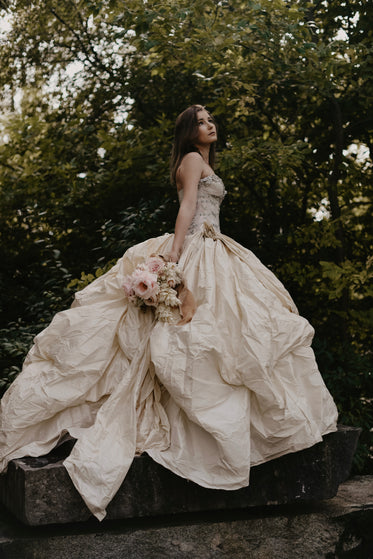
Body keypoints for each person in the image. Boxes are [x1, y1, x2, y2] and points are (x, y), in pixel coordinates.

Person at [0, 104, 338, 521]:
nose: (210, 124)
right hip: (199, 245)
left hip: (217, 244)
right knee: (208, 335)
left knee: (240, 329)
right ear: (187, 131)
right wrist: (174, 258)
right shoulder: (193, 160)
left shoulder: (201, 159)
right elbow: (189, 206)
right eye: (200, 121)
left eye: (211, 118)